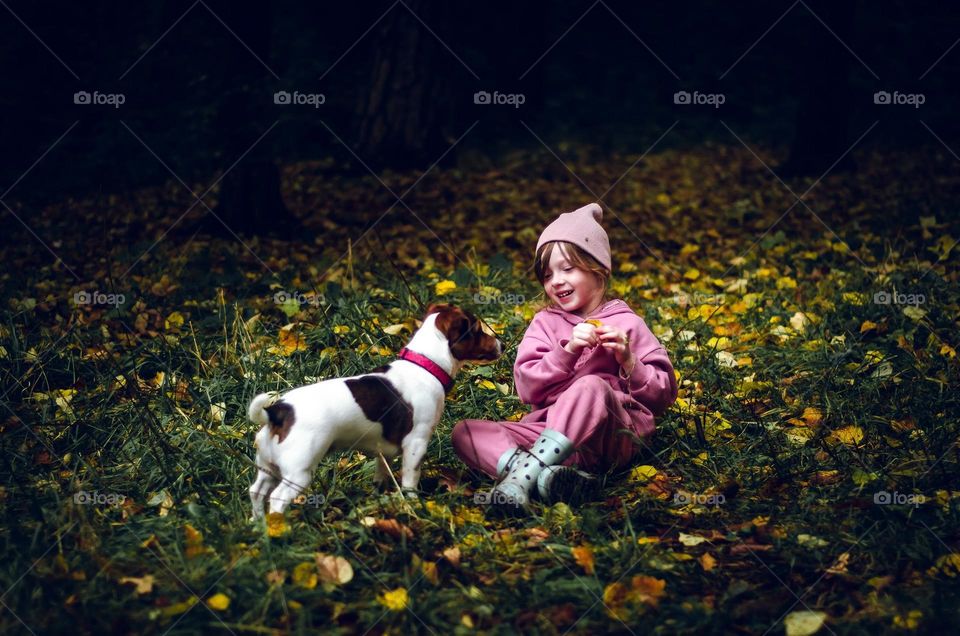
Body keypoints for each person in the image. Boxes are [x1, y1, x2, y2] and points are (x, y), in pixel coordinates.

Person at [451, 203, 678, 514]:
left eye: (567, 269)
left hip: (610, 437)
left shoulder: (628, 323)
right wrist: (566, 351)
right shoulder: (544, 323)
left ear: (598, 269)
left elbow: (662, 396)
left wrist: (628, 359)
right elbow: (528, 389)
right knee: (465, 433)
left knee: (591, 387)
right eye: (547, 275)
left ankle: (519, 478)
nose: (556, 281)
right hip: (550, 434)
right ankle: (549, 478)